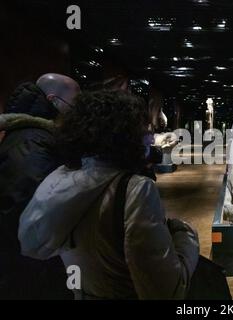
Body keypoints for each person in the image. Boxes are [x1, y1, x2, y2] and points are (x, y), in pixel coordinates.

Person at [18, 90, 200, 300]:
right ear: (127, 135)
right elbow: (166, 289)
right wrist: (186, 237)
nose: (150, 135)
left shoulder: (58, 180)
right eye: (143, 128)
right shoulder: (134, 189)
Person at [0, 73, 80, 299]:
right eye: (74, 106)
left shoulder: (33, 136)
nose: (77, 115)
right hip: (31, 268)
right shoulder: (32, 141)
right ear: (53, 101)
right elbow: (26, 207)